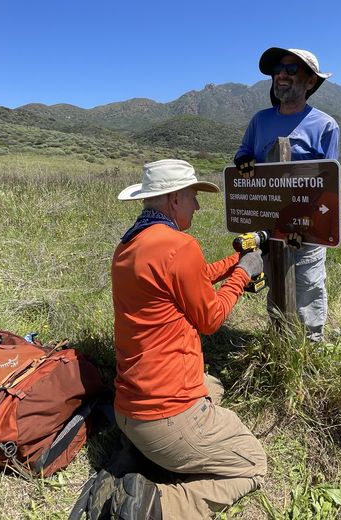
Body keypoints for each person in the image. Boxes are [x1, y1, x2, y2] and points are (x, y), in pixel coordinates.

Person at [109, 159, 267, 520]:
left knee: (210, 384)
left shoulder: (129, 246)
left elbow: (189, 280)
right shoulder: (179, 246)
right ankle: (158, 506)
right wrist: (242, 275)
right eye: (193, 196)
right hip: (164, 418)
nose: (197, 205)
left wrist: (236, 262)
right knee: (253, 463)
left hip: (129, 410)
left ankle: (140, 451)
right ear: (174, 199)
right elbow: (210, 319)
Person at [234, 47, 340, 341]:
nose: (281, 73)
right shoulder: (260, 121)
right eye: (278, 69)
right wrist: (243, 161)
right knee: (277, 284)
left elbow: (327, 187)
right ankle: (280, 344)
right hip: (269, 226)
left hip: (306, 231)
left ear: (310, 82)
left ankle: (308, 352)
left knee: (306, 288)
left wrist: (305, 228)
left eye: (292, 69)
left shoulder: (325, 126)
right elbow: (244, 152)